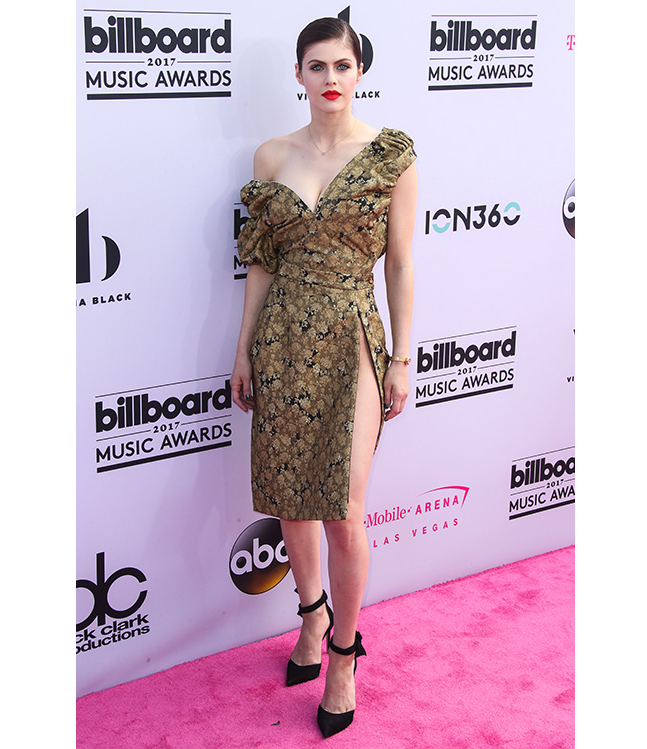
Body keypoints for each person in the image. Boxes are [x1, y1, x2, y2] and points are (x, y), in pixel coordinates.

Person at [230, 16, 417, 739]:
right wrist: (243, 351)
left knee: (342, 506)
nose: (331, 78)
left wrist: (402, 357)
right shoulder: (271, 155)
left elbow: (399, 265)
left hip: (352, 338)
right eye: (317, 66)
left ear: (359, 70)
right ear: (299, 75)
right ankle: (310, 616)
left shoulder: (390, 155)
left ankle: (344, 655)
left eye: (343, 65)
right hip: (281, 335)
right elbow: (260, 264)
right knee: (289, 494)